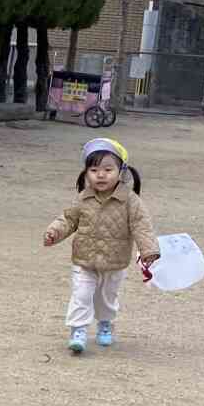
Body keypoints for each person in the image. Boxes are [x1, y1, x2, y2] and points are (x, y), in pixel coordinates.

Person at [41, 136, 160, 355]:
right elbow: (68, 219)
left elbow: (142, 226)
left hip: (114, 262)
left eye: (108, 169)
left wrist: (148, 250)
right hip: (84, 260)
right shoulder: (83, 198)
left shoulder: (130, 200)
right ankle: (78, 331)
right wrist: (54, 232)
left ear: (121, 172)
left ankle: (105, 323)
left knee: (106, 299)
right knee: (81, 295)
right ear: (86, 173)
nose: (101, 175)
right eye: (94, 170)